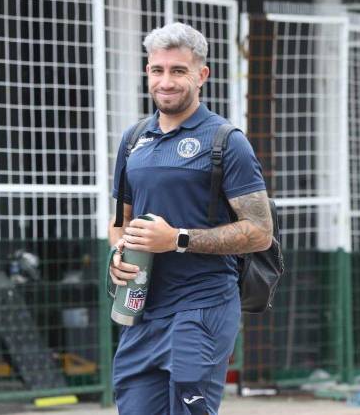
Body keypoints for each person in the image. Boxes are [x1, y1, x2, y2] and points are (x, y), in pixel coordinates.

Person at [107, 22, 273, 414]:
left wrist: (178, 238)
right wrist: (118, 254)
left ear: (201, 75)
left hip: (202, 307)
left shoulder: (225, 141)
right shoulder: (134, 141)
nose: (166, 81)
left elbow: (260, 232)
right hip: (141, 309)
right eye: (157, 70)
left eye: (178, 71)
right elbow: (120, 222)